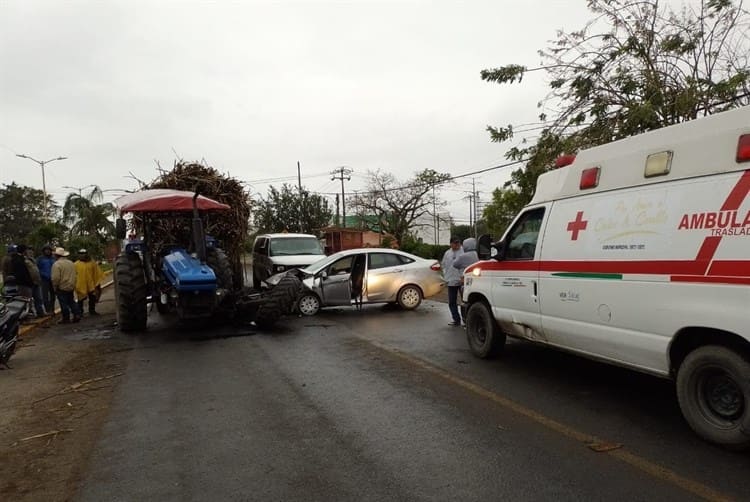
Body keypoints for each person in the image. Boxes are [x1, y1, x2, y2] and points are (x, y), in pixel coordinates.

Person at [51, 247, 81, 324]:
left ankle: (66, 318)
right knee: (71, 301)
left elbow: (55, 278)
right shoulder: (71, 263)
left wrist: (55, 286)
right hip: (71, 285)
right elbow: (75, 274)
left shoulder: (56, 264)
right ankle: (77, 314)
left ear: (57, 256)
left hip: (62, 286)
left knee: (63, 303)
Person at [441, 236, 464, 327]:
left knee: (464, 301)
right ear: (451, 244)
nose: (457, 245)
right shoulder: (447, 253)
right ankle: (456, 320)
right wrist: (445, 275)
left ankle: (466, 320)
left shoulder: (463, 252)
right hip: (451, 280)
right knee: (452, 302)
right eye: (455, 243)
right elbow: (443, 265)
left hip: (462, 280)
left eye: (458, 243)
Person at [74, 249, 104, 316]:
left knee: (92, 298)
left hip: (91, 284)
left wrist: (97, 284)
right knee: (80, 299)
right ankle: (80, 312)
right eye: (81, 254)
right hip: (81, 284)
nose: (82, 255)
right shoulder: (76, 264)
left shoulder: (92, 263)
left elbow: (97, 273)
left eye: (84, 254)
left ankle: (92, 311)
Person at [23, 246, 47, 317]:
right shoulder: (24, 260)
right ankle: (30, 314)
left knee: (39, 298)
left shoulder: (33, 260)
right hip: (30, 282)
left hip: (37, 282)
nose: (31, 252)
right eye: (29, 251)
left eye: (32, 251)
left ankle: (40, 312)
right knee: (29, 300)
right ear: (26, 252)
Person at [37, 245, 57, 314]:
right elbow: (37, 269)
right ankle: (47, 309)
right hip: (44, 279)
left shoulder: (53, 258)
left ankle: (52, 309)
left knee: (53, 295)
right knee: (45, 295)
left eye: (49, 250)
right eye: (46, 250)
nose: (48, 251)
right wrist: (42, 274)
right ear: (44, 251)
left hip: (53, 279)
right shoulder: (40, 259)